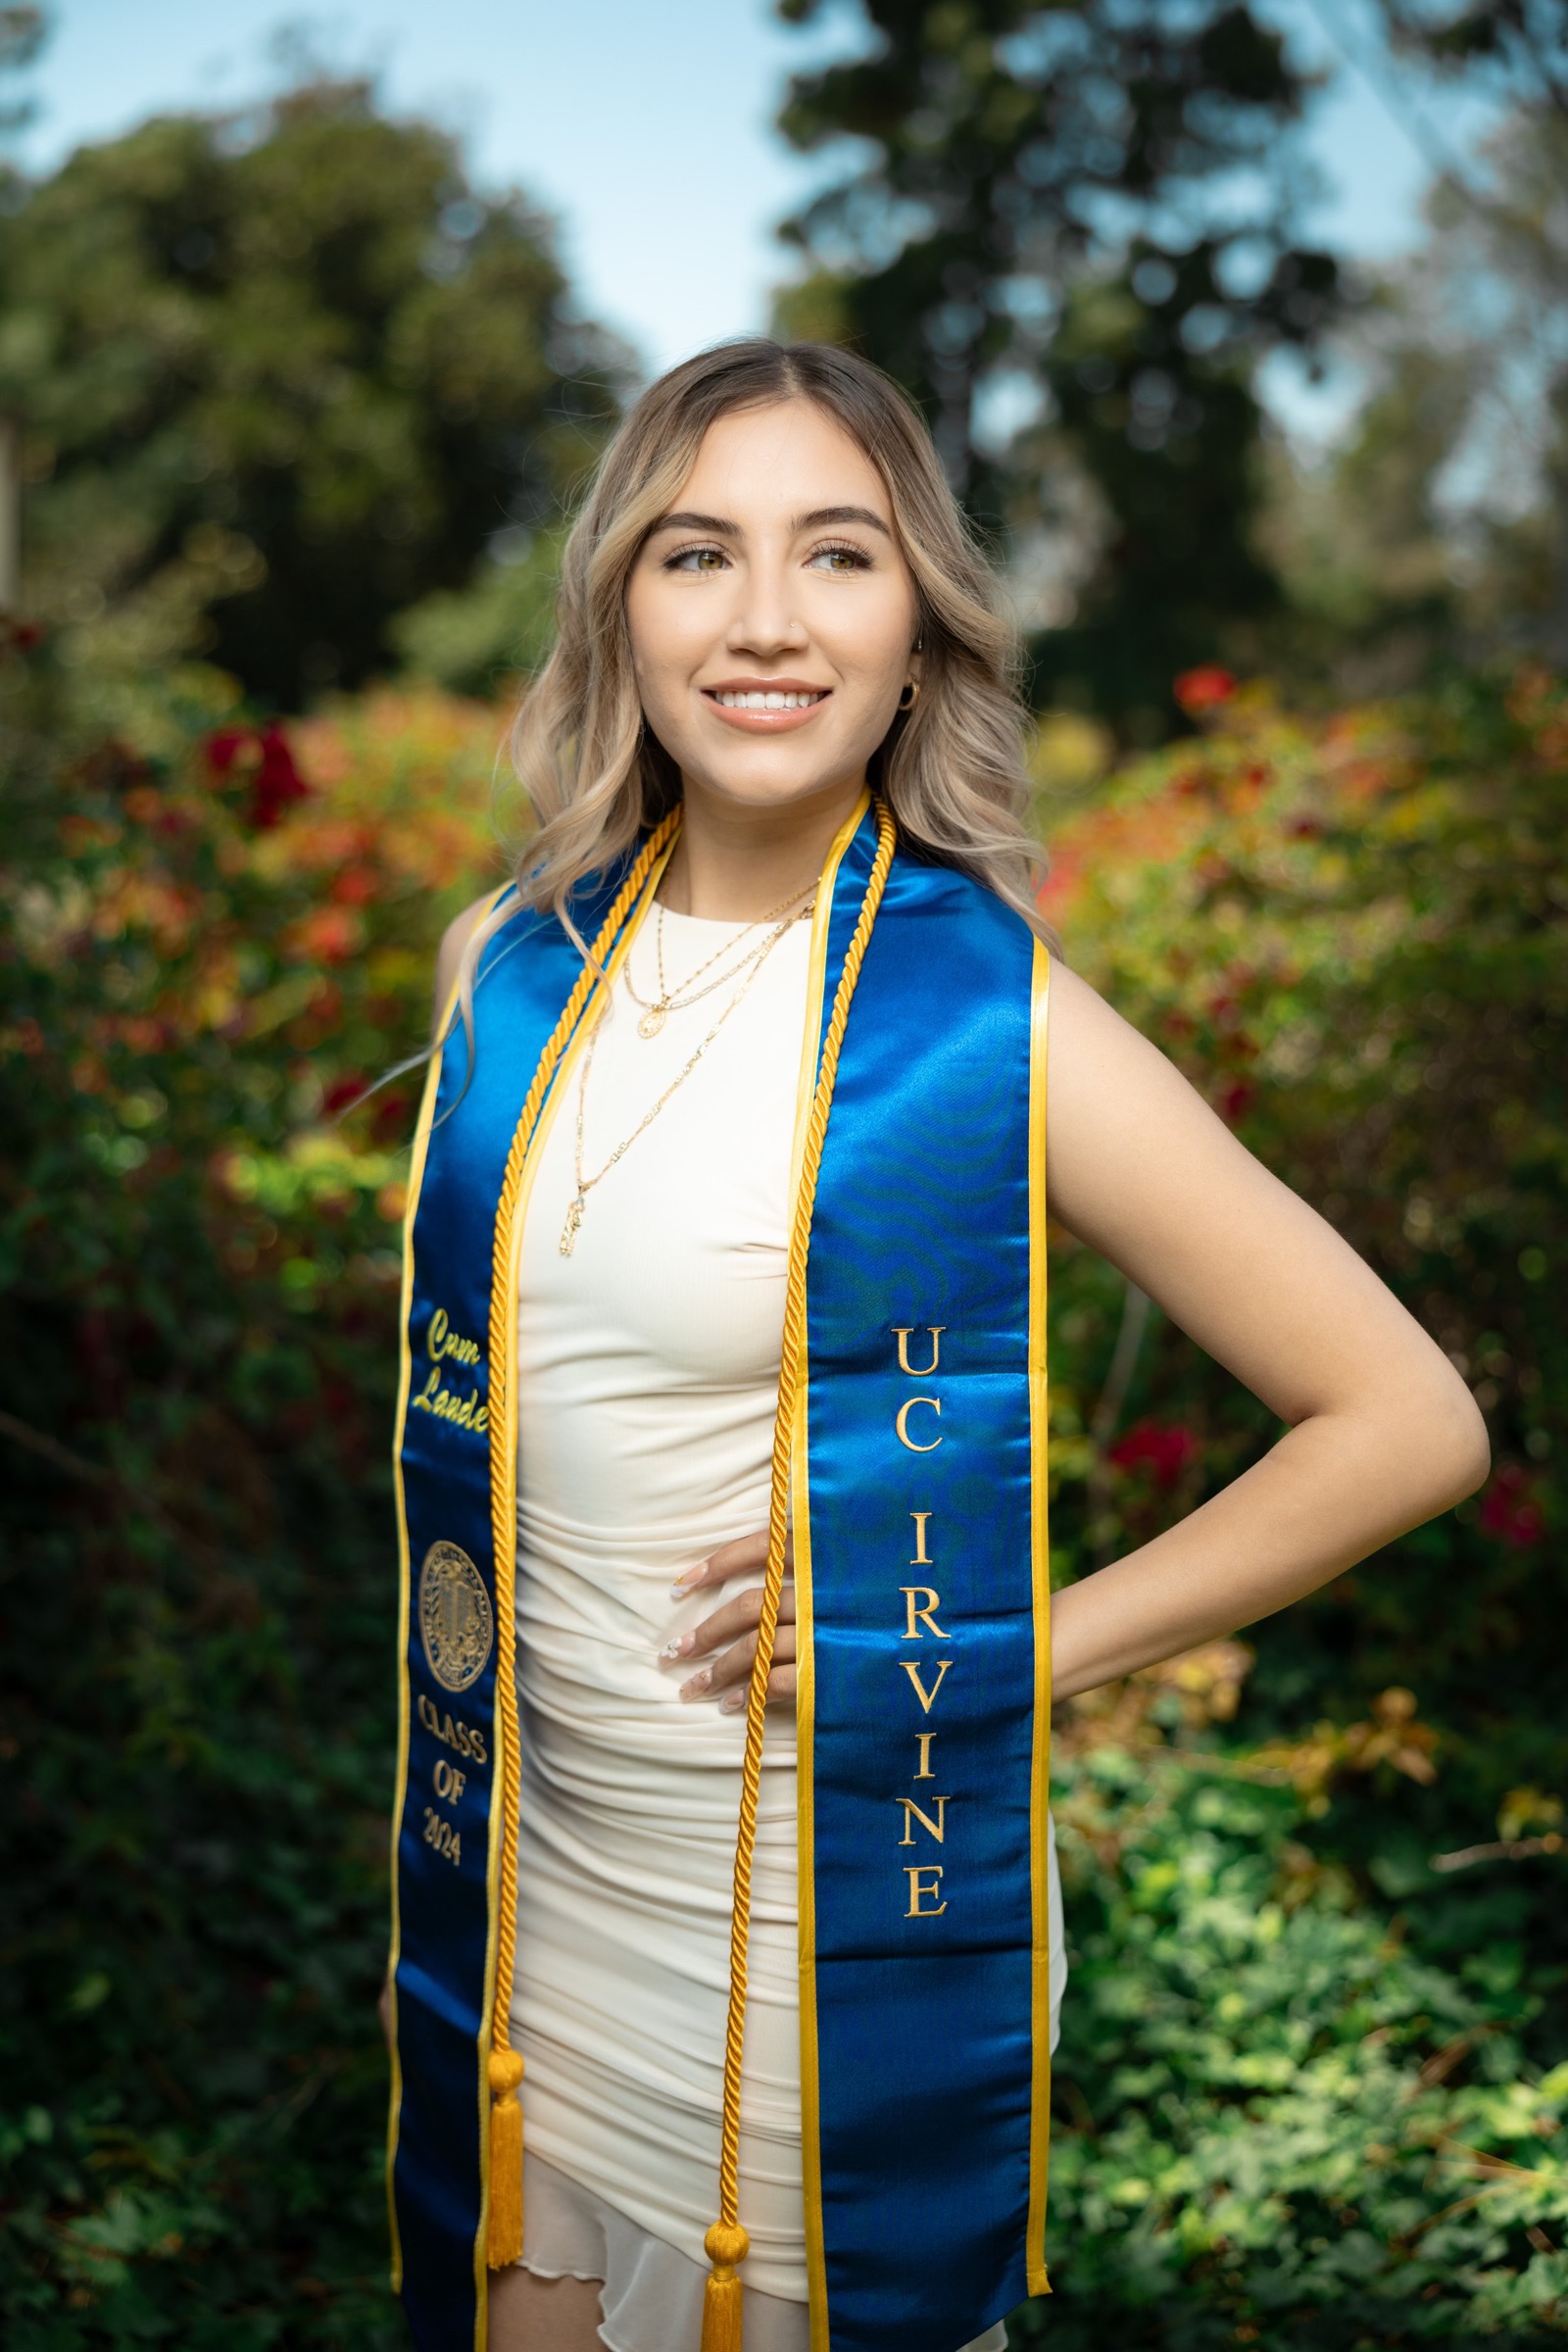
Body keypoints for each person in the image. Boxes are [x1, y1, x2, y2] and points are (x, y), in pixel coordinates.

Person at [384, 339, 1488, 2352]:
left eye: (840, 556)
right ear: (619, 609)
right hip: (530, 1916)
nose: (767, 622)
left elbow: (1404, 1420)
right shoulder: (504, 972)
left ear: (920, 634)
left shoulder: (1000, 1028)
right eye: (697, 556)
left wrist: (995, 1650)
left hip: (826, 1935)